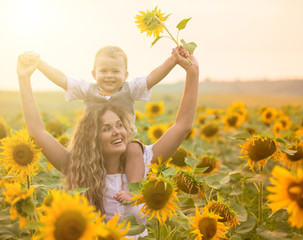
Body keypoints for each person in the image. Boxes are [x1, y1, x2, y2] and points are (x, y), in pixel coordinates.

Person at [17, 46, 199, 238]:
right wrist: (24, 78)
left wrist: (192, 73)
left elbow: (182, 125)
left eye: (120, 124)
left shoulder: (141, 162)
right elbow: (37, 132)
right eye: (106, 128)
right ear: (91, 135)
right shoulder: (77, 167)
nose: (117, 132)